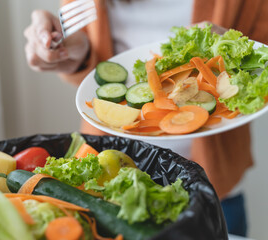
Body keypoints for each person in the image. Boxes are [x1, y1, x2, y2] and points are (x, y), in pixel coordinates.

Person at [24, 0, 268, 236]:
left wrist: (234, 49)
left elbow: (260, 61)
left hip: (216, 183)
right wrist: (76, 54)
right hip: (115, 180)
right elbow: (96, 81)